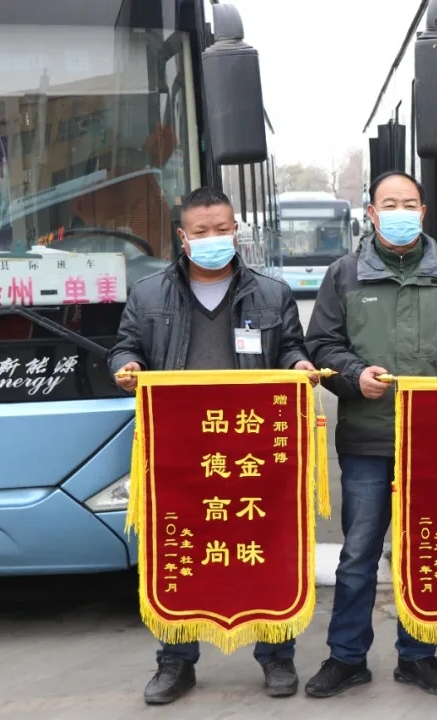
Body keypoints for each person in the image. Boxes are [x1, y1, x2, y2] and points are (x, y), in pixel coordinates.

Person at [107, 186, 319, 706]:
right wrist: (126, 366)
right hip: (180, 450)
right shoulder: (149, 294)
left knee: (264, 545)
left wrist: (297, 365)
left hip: (252, 448)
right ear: (183, 238)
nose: (212, 239)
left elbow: (290, 347)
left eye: (221, 229)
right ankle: (176, 661)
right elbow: (126, 346)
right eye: (201, 232)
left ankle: (276, 654)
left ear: (236, 230)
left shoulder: (271, 293)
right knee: (179, 548)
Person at [303, 170, 437, 698]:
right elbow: (322, 345)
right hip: (368, 438)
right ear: (372, 213)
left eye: (409, 203)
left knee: (425, 550)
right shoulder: (344, 274)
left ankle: (418, 655)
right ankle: (346, 657)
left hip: (434, 439)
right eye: (389, 203)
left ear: (423, 212)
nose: (400, 211)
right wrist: (353, 375)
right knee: (358, 554)